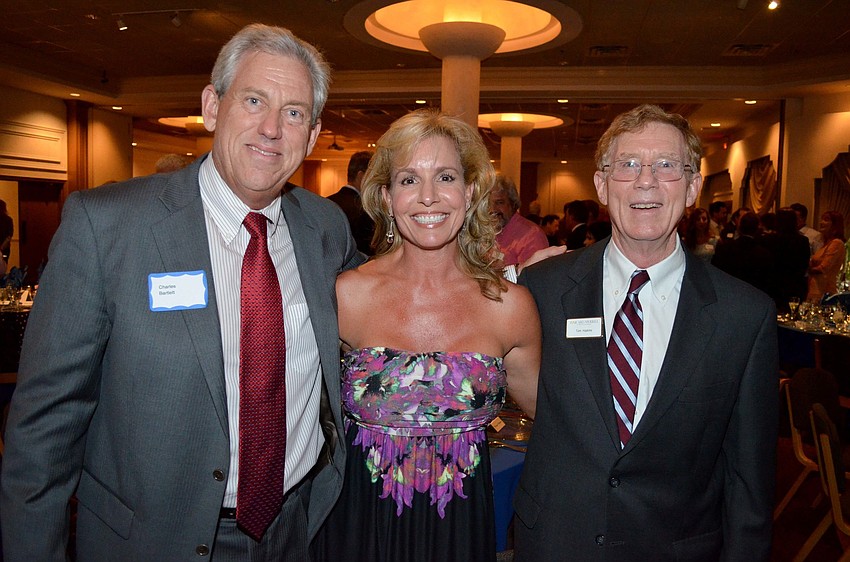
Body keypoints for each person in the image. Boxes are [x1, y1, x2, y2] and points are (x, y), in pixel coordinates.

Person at [0, 24, 365, 561]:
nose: (271, 128)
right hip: (152, 539)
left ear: (311, 137)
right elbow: (44, 429)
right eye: (254, 100)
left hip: (295, 530)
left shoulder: (325, 228)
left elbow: (388, 297)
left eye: (293, 113)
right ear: (212, 107)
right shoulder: (106, 227)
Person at [514, 104, 777, 561]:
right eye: (629, 165)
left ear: (693, 186)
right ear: (601, 183)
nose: (646, 181)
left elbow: (748, 478)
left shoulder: (745, 315)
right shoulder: (542, 289)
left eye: (667, 166)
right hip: (556, 543)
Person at [312, 109, 541, 562]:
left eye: (446, 177)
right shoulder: (347, 295)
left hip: (461, 533)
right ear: (386, 195)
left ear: (471, 191)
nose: (429, 198)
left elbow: (559, 424)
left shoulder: (509, 307)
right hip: (358, 529)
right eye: (409, 180)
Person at [489, 174, 548, 267]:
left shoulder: (532, 236)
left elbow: (530, 278)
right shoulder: (488, 231)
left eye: (499, 202)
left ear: (513, 204)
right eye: (488, 203)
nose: (492, 209)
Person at [328, 150, 376, 255]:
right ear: (361, 176)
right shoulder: (364, 209)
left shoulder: (326, 203)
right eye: (373, 177)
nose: (375, 182)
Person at [762, 207, 810, 312]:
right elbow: (804, 265)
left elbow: (765, 264)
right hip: (795, 285)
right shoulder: (802, 241)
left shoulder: (768, 240)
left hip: (773, 285)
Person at [806, 210, 846, 302]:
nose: (821, 222)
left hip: (824, 291)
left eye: (826, 220)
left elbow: (823, 268)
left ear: (835, 225)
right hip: (814, 289)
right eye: (822, 219)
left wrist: (806, 269)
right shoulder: (825, 244)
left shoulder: (836, 243)